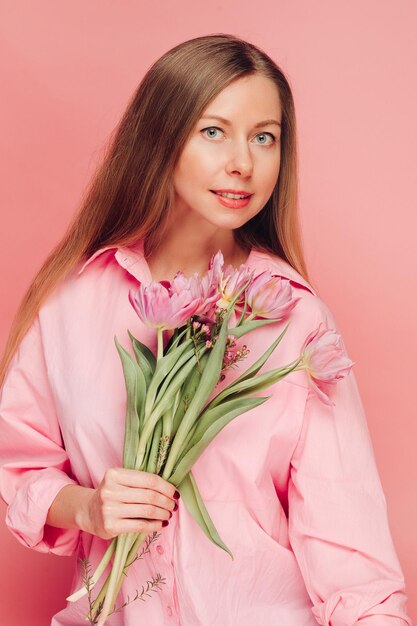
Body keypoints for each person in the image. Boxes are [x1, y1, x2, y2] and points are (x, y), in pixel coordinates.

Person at [0, 33, 412, 626]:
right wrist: (90, 509)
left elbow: (351, 550)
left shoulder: (293, 318)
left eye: (264, 137)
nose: (243, 163)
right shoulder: (74, 302)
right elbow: (20, 465)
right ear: (161, 139)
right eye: (213, 131)